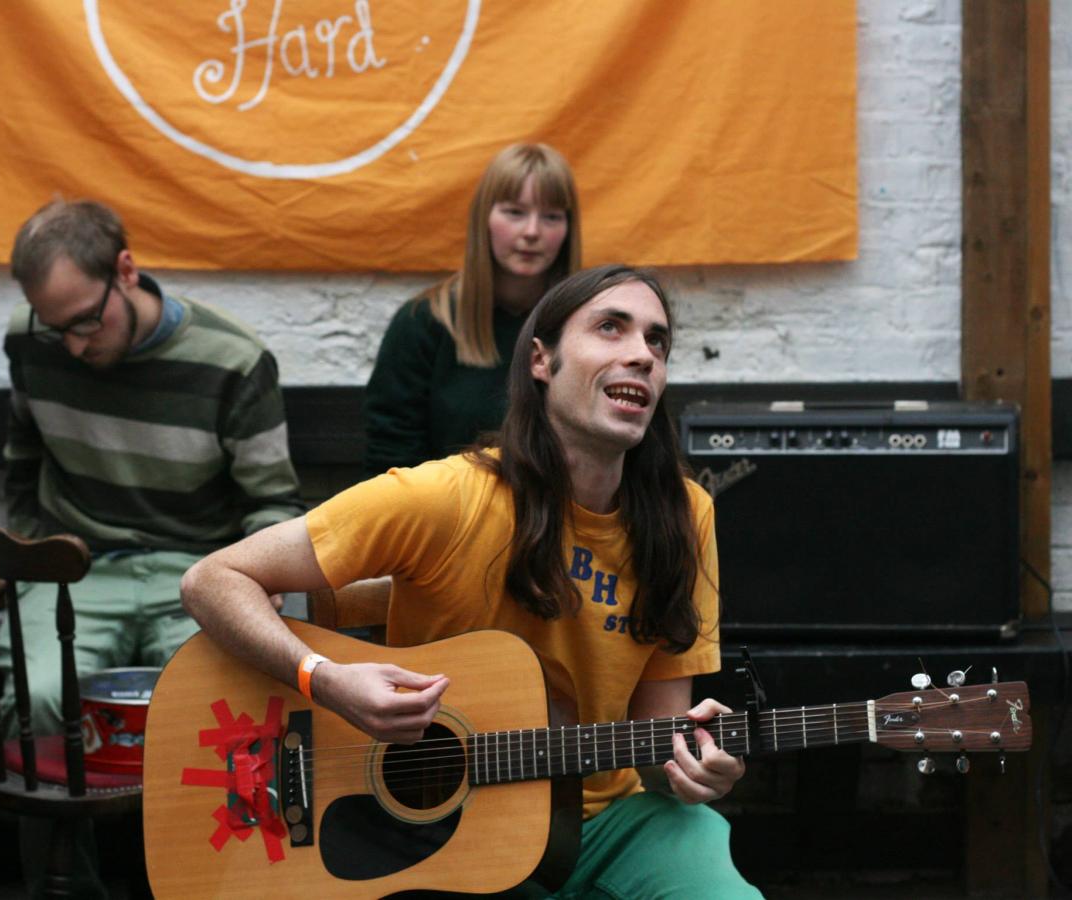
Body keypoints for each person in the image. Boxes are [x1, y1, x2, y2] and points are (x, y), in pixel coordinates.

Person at [182, 264, 761, 898]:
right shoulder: (446, 498)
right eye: (610, 328)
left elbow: (656, 743)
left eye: (657, 341)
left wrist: (695, 767)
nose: (642, 356)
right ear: (542, 361)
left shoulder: (684, 516)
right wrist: (324, 680)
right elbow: (213, 579)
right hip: (431, 835)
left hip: (605, 821)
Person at [0, 198, 304, 898]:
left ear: (127, 271)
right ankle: (65, 887)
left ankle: (213, 886)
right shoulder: (32, 339)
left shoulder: (234, 359)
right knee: (39, 695)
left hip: (196, 570)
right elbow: (21, 456)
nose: (73, 344)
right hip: (78, 563)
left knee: (223, 711)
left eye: (85, 320)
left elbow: (272, 505)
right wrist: (26, 540)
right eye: (56, 326)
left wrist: (264, 578)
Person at [363, 141, 582, 475]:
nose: (533, 231)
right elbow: (391, 460)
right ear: (485, 218)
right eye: (515, 212)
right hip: (447, 518)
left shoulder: (586, 324)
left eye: (551, 216)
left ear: (568, 230)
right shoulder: (423, 323)